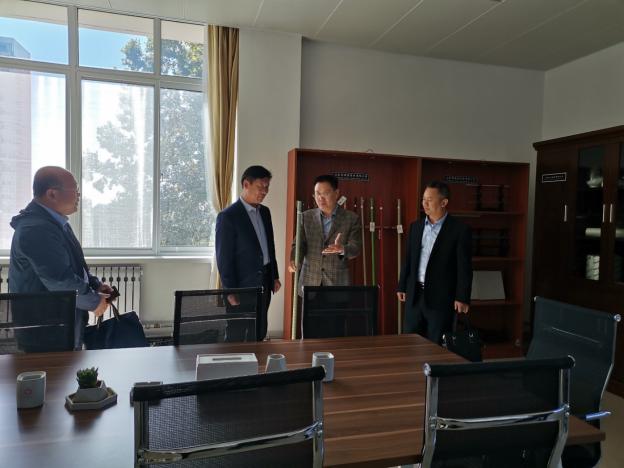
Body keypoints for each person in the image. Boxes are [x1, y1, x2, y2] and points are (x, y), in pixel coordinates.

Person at [9, 166, 112, 350]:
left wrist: (96, 286)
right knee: (57, 370)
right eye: (75, 190)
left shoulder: (55, 223)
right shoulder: (36, 229)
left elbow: (76, 267)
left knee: (70, 367)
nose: (79, 195)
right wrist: (94, 301)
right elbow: (59, 279)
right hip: (45, 332)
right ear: (52, 194)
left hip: (59, 323)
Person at [397, 181, 472, 344]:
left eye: (430, 200)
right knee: (410, 341)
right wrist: (402, 285)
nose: (424, 203)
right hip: (415, 295)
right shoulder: (416, 227)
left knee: (436, 344)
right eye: (423, 199)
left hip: (441, 298)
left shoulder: (459, 230)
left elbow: (464, 267)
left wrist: (462, 297)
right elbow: (408, 259)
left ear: (444, 202)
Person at [215, 165, 280, 341]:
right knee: (236, 333)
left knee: (259, 330)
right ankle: (236, 360)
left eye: (267, 187)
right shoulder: (228, 216)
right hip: (241, 286)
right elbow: (223, 258)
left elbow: (269, 247)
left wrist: (274, 276)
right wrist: (230, 291)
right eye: (260, 187)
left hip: (264, 282)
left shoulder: (265, 212)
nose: (265, 192)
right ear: (246, 184)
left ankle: (258, 358)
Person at [289, 174, 361, 294]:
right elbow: (299, 244)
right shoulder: (306, 217)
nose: (320, 198)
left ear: (336, 193)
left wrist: (342, 249)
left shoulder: (351, 218)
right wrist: (294, 259)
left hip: (337, 283)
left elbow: (356, 248)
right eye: (317, 194)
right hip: (310, 281)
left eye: (325, 193)